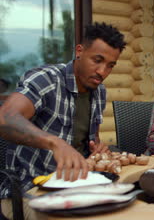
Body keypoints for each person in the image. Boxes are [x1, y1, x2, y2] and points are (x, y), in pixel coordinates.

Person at [0, 22, 126, 204]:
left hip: (78, 184)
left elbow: (90, 139)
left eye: (110, 65)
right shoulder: (47, 79)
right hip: (32, 190)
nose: (102, 72)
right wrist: (55, 143)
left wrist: (97, 148)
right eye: (97, 61)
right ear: (79, 51)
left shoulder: (99, 91)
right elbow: (5, 119)